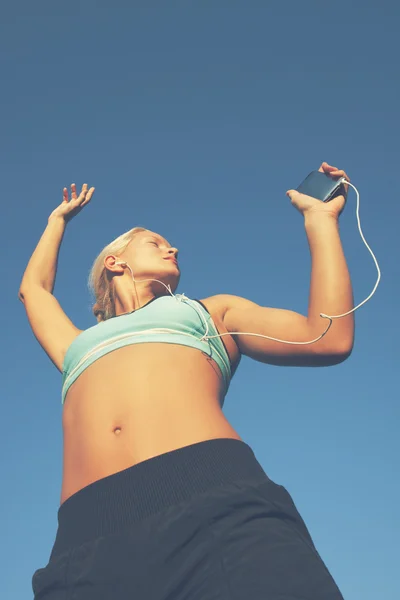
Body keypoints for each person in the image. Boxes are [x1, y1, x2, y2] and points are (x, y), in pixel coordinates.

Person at [19, 162, 353, 599]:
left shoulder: (210, 312)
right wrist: (55, 222)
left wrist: (320, 221)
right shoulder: (77, 346)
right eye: (156, 243)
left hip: (214, 505)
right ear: (115, 263)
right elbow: (34, 291)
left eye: (172, 245)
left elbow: (325, 338)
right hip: (84, 536)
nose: (173, 249)